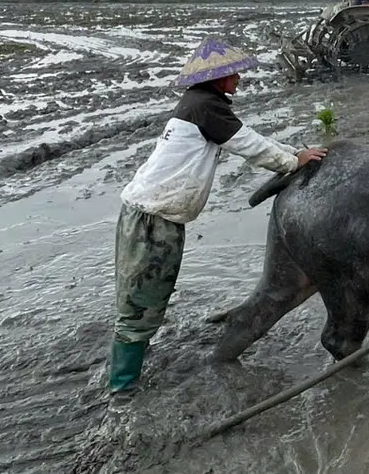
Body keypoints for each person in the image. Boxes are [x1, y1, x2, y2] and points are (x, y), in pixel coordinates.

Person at [108, 37, 328, 394]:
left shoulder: (202, 104)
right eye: (234, 73)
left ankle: (130, 363)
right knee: (140, 301)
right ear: (218, 78)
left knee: (144, 296)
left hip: (150, 215)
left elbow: (246, 136)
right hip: (152, 221)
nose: (239, 78)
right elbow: (248, 145)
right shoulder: (206, 108)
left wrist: (295, 152)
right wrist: (292, 161)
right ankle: (122, 388)